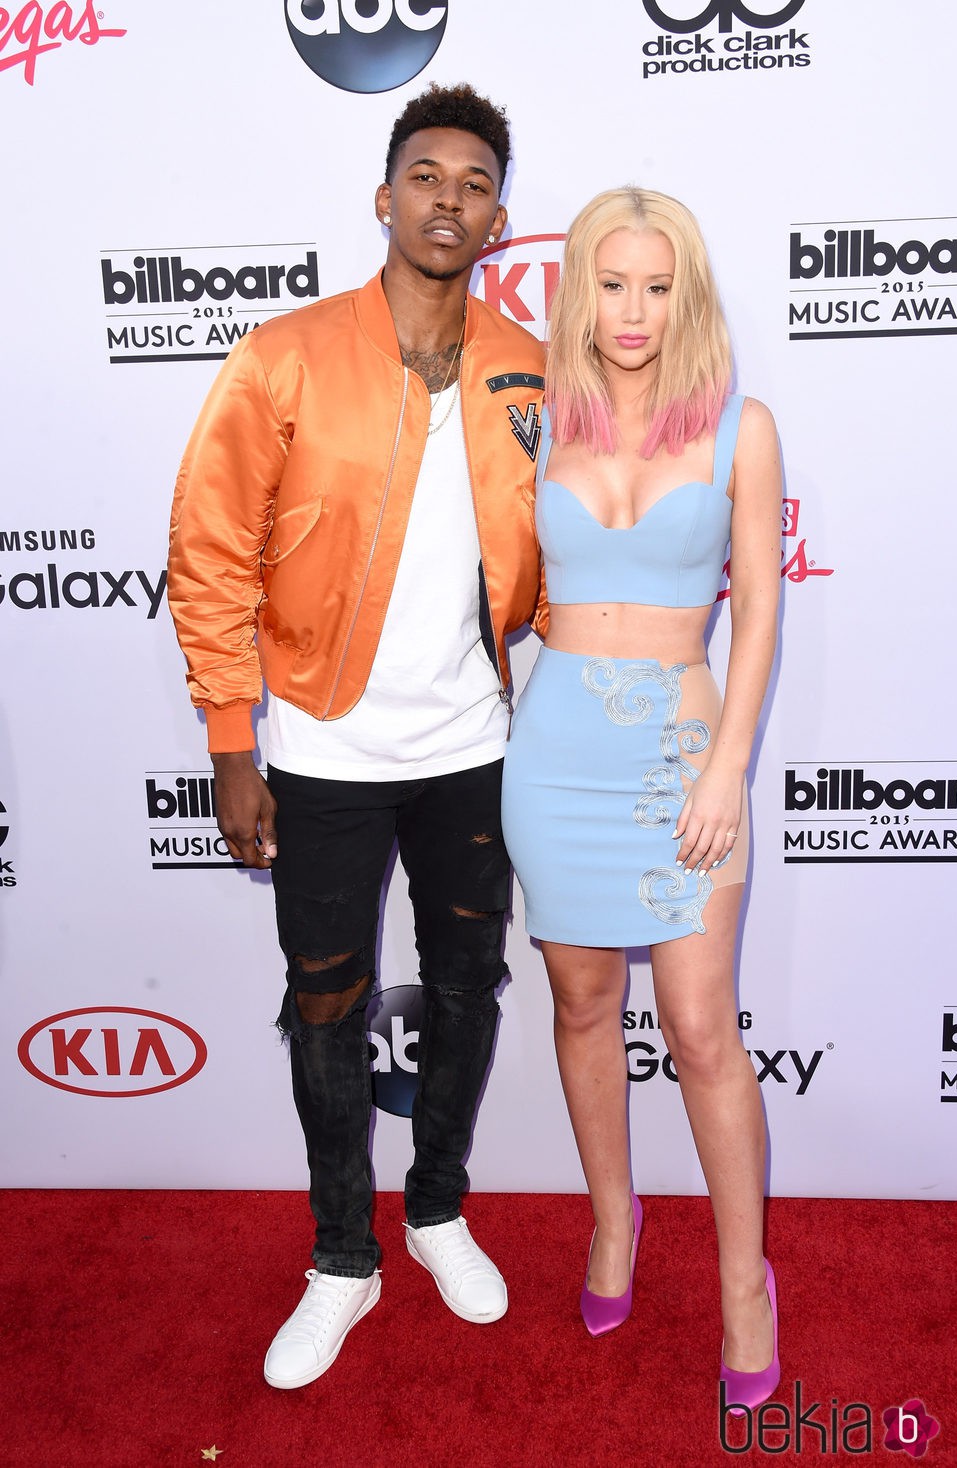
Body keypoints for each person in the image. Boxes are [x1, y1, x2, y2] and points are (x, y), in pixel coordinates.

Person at [167, 82, 546, 1390]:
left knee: (463, 990)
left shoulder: (528, 369)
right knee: (324, 1007)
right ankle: (343, 1257)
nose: (450, 199)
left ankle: (434, 1209)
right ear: (384, 198)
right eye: (426, 174)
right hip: (322, 750)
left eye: (476, 182)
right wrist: (231, 739)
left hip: (474, 750)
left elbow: (555, 555)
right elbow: (210, 552)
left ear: (499, 217)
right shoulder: (284, 356)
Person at [501, 188, 782, 1412]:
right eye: (610, 283)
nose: (632, 310)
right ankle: (611, 1226)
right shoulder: (530, 421)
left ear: (688, 292)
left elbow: (762, 610)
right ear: (577, 290)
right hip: (555, 743)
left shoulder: (741, 425)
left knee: (701, 1023)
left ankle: (740, 1282)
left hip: (679, 746)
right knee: (577, 1000)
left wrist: (725, 761)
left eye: (656, 285)